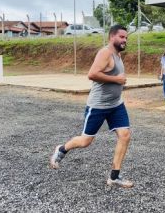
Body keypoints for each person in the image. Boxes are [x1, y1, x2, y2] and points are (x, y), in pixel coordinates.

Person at [50, 25, 134, 188]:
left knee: (125, 135)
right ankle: (61, 149)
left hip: (116, 104)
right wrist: (117, 80)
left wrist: (118, 83)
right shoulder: (105, 53)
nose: (125, 40)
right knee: (85, 141)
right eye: (121, 37)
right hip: (98, 106)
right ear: (112, 37)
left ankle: (114, 177)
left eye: (126, 37)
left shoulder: (117, 54)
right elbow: (92, 74)